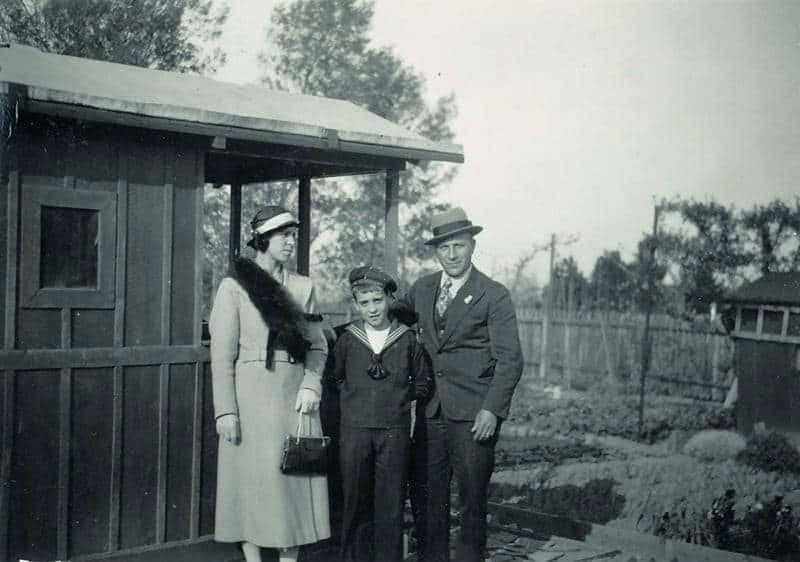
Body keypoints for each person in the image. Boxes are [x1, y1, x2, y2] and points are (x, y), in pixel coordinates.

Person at [209, 206, 330, 562]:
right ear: (263, 240)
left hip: (293, 399)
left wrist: (311, 384)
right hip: (249, 398)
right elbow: (221, 354)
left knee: (290, 485)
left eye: (294, 235)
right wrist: (225, 410)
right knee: (250, 487)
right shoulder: (234, 287)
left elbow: (318, 345)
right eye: (284, 235)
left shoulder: (303, 286)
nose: (292, 242)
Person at [406, 207, 524, 562]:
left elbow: (511, 359)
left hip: (475, 414)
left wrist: (492, 409)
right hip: (430, 412)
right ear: (436, 252)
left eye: (459, 245)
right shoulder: (422, 289)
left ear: (472, 245)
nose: (452, 254)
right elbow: (386, 317)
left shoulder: (493, 294)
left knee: (472, 498)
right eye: (444, 248)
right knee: (429, 495)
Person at [331, 265, 433, 562]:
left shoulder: (407, 340)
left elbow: (423, 382)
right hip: (355, 432)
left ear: (389, 299)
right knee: (354, 502)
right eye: (364, 303)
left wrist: (396, 399)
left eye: (377, 300)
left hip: (394, 432)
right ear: (356, 305)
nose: (372, 309)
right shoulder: (348, 340)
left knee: (390, 504)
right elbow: (337, 378)